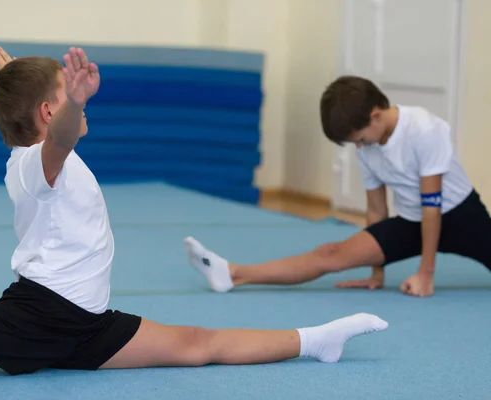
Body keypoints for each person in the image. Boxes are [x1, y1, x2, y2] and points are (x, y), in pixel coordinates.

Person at [0, 48, 389, 379]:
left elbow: (45, 121)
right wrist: (74, 104)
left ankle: (315, 340)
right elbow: (59, 139)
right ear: (48, 113)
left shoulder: (38, 150)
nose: (79, 104)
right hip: (36, 317)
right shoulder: (32, 164)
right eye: (67, 95)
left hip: (84, 322)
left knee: (198, 344)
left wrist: (8, 75)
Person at [185, 75, 491, 298]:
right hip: (413, 221)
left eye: (359, 138)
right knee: (330, 253)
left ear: (375, 115)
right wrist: (377, 270)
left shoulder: (425, 128)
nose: (358, 148)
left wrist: (426, 274)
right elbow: (375, 209)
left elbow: (432, 205)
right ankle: (234, 274)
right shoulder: (366, 145)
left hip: (459, 215)